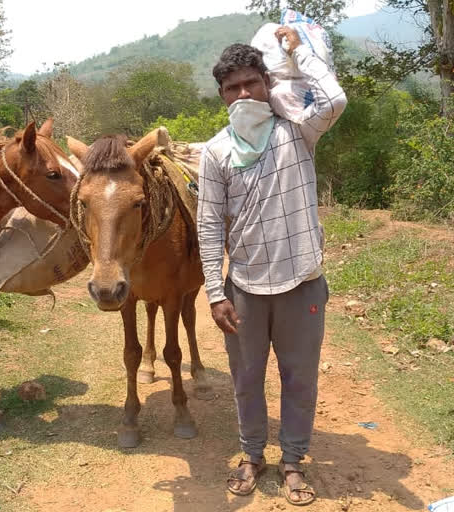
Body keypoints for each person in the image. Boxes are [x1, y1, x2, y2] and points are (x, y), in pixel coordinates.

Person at [196, 27, 347, 506]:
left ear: (266, 83)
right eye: (232, 87)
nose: (243, 93)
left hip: (302, 282)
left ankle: (294, 461)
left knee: (299, 379)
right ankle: (252, 455)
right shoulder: (216, 151)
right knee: (246, 380)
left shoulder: (298, 130)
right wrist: (215, 293)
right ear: (221, 96)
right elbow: (209, 226)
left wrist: (298, 55)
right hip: (243, 287)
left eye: (251, 83)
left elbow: (334, 99)